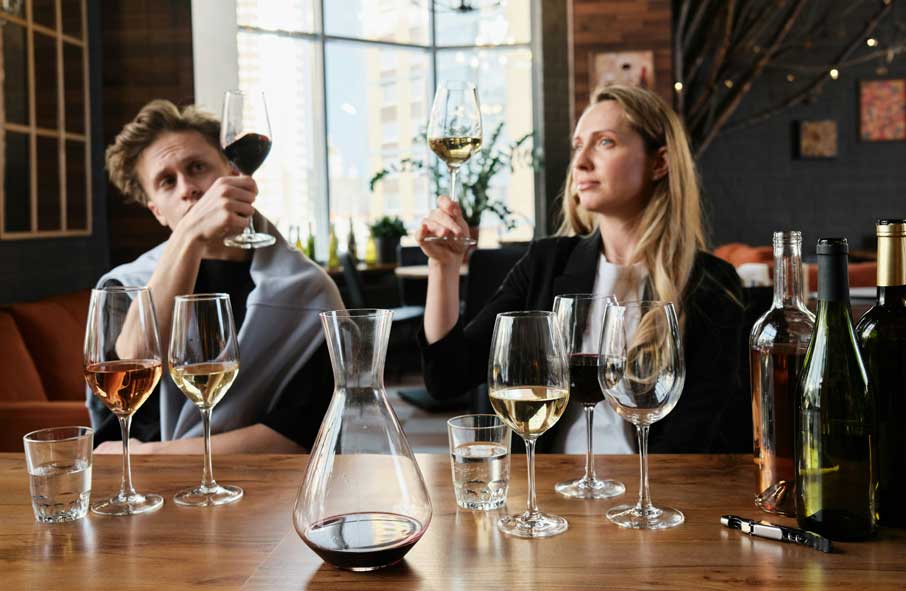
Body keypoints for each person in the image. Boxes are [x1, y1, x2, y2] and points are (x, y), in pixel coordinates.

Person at [415, 85, 748, 454]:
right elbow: (446, 376)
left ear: (660, 163)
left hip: (653, 498)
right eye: (578, 145)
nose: (581, 162)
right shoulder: (547, 263)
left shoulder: (711, 283)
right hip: (552, 494)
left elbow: (697, 434)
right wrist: (443, 266)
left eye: (604, 142)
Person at [90, 99, 343, 454]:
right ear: (157, 212)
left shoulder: (307, 291)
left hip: (262, 491)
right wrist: (190, 236)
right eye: (167, 182)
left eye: (197, 167)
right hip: (142, 494)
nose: (187, 188)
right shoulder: (124, 286)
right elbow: (128, 373)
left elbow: (300, 436)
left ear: (234, 172)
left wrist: (151, 456)